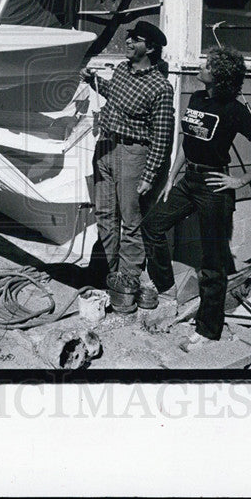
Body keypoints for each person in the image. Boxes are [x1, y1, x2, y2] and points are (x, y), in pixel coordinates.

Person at [143, 46, 251, 345]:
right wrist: (171, 177)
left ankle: (208, 331)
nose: (202, 65)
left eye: (208, 64)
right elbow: (188, 139)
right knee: (152, 226)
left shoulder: (234, 110)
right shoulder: (196, 98)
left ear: (219, 76)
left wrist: (240, 181)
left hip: (214, 185)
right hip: (187, 180)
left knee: (212, 263)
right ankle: (166, 286)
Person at [81, 21, 175, 313]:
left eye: (136, 39)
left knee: (130, 220)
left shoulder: (161, 87)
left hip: (134, 154)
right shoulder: (121, 70)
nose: (129, 42)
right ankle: (110, 274)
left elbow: (161, 136)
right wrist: (92, 80)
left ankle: (128, 279)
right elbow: (117, 96)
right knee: (105, 213)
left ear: (151, 48)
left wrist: (149, 176)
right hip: (106, 147)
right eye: (129, 37)